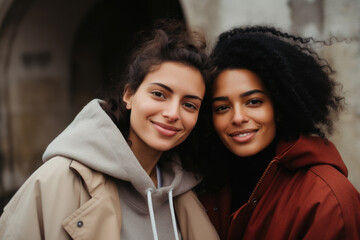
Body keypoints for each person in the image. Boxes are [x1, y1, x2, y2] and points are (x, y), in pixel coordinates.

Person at [0, 20, 219, 240]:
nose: (173, 113)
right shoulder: (57, 180)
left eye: (189, 105)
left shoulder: (190, 193)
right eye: (159, 94)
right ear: (129, 95)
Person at [197, 26, 360, 239]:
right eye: (222, 107)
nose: (237, 117)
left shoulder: (328, 198)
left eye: (253, 102)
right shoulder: (205, 187)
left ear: (279, 108)